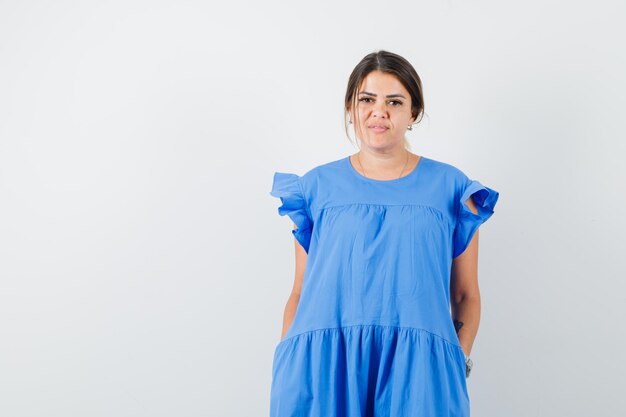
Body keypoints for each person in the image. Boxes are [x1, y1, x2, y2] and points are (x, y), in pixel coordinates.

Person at [268, 50, 499, 416]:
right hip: (324, 369)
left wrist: (458, 360)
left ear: (414, 113)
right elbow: (300, 290)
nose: (379, 112)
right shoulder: (315, 188)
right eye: (367, 99)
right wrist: (289, 355)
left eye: (394, 101)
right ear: (350, 108)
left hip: (421, 374)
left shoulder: (452, 189)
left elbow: (466, 294)